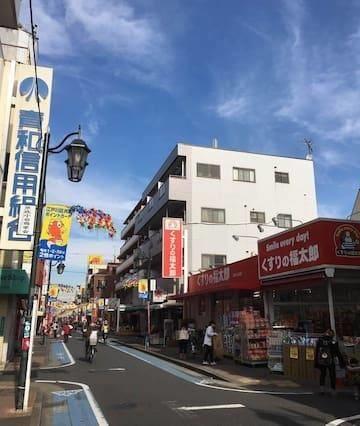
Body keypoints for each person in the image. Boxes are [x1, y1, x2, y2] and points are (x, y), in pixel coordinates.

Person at [315, 329, 345, 395]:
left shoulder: (320, 340)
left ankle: (321, 389)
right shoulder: (333, 341)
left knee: (323, 374)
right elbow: (337, 352)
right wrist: (341, 362)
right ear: (332, 334)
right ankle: (333, 390)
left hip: (322, 360)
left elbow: (317, 351)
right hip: (331, 360)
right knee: (332, 375)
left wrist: (316, 362)